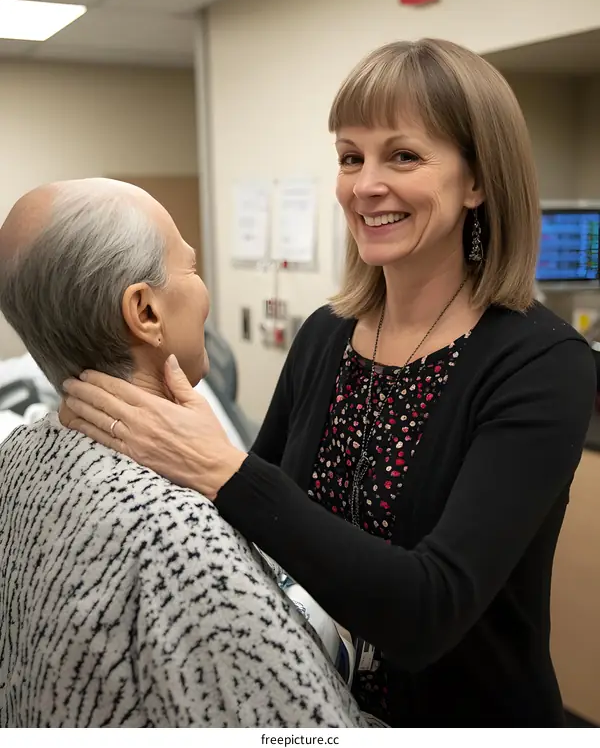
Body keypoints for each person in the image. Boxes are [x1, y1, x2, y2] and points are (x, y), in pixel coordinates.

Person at [61, 40, 596, 727]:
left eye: (402, 155)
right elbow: (257, 530)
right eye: (350, 156)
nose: (364, 184)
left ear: (477, 181)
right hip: (314, 712)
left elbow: (427, 612)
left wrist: (223, 469)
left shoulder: (541, 362)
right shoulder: (326, 336)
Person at [0, 178, 366, 728]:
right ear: (145, 312)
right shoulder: (176, 535)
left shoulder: (17, 460)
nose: (205, 293)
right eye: (191, 269)